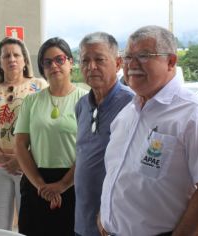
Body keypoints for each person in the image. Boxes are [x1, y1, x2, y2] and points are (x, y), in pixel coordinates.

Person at [99, 25, 198, 236]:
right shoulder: (128, 112)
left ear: (171, 61)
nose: (132, 64)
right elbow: (116, 172)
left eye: (143, 55)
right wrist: (104, 215)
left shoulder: (195, 114)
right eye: (128, 56)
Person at [0, 37, 47, 231]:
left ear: (24, 60)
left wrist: (22, 159)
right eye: (6, 55)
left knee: (32, 223)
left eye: (16, 55)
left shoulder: (39, 86)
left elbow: (47, 129)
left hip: (30, 165)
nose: (11, 59)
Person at [14, 37, 87, 236]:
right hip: (36, 182)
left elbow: (89, 150)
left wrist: (62, 185)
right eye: (47, 62)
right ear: (42, 69)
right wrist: (41, 185)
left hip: (72, 181)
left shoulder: (86, 101)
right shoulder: (31, 101)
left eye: (59, 59)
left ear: (71, 62)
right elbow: (20, 145)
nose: (54, 65)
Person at [74, 32, 133, 236]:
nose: (91, 67)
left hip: (114, 222)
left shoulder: (133, 105)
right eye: (85, 61)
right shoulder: (81, 105)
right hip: (83, 218)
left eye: (99, 59)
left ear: (117, 63)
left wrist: (109, 210)